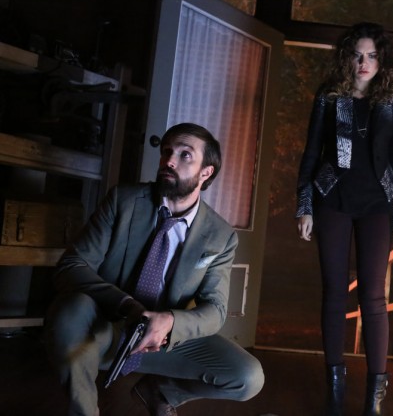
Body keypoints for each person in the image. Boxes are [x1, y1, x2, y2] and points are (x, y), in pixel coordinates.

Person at [45, 122, 264, 416]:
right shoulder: (123, 201)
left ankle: (159, 391)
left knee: (248, 377)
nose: (169, 161)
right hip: (104, 326)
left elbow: (216, 309)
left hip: (163, 340)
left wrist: (171, 322)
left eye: (185, 155)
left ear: (206, 172)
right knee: (71, 309)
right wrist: (126, 305)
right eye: (167, 152)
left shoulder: (220, 236)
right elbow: (71, 266)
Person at [296, 22, 393, 416]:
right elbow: (312, 152)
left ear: (382, 59)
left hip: (377, 203)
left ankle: (374, 401)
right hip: (333, 199)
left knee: (373, 296)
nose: (365, 63)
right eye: (358, 55)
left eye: (372, 55)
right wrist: (305, 205)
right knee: (334, 292)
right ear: (347, 57)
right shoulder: (329, 95)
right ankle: (335, 396)